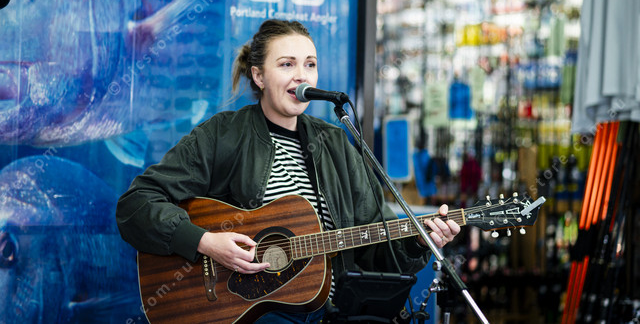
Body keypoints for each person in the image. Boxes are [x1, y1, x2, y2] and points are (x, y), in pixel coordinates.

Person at [116, 19, 460, 323]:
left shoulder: (336, 145)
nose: (302, 75)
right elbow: (136, 204)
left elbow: (377, 253)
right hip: (256, 314)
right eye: (287, 64)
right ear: (259, 76)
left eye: (310, 64)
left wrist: (418, 241)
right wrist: (205, 242)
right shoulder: (223, 134)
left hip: (331, 313)